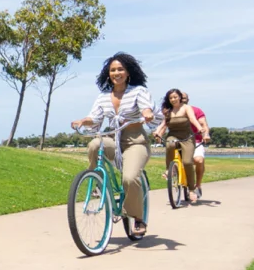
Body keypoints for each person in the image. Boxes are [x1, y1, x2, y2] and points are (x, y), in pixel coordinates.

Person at [71, 52, 155, 236]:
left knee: (129, 178)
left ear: (128, 72)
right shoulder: (102, 97)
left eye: (120, 69)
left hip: (135, 142)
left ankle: (138, 218)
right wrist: (82, 121)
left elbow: (146, 108)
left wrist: (147, 113)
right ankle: (95, 181)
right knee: (95, 144)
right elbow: (94, 118)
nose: (116, 73)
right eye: (113, 70)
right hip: (113, 138)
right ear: (108, 73)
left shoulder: (138, 91)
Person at [155, 88, 200, 204]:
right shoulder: (168, 110)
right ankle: (169, 170)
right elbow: (164, 124)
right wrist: (157, 132)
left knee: (188, 162)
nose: (173, 99)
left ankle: (191, 190)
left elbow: (192, 119)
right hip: (173, 135)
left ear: (180, 97)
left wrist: (200, 128)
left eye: (175, 97)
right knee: (170, 144)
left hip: (187, 137)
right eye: (170, 98)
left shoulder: (186, 108)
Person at [181, 90, 208, 197]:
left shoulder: (196, 111)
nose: (182, 100)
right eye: (180, 97)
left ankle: (198, 185)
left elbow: (204, 124)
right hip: (179, 140)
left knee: (198, 160)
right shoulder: (172, 111)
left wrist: (205, 135)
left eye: (184, 98)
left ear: (188, 100)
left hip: (195, 140)